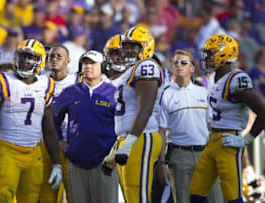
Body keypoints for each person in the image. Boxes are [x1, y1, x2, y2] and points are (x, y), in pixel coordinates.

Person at [0, 39, 62, 203]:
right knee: (4, 198)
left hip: (34, 152)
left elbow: (48, 128)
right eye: (22, 57)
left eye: (30, 58)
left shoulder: (46, 84)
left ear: (39, 62)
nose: (25, 62)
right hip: (8, 150)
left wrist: (56, 163)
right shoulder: (3, 80)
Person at [189, 34, 265, 203]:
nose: (206, 58)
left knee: (232, 197)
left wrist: (245, 140)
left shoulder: (237, 79)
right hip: (213, 141)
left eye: (210, 53)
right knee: (196, 193)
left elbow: (262, 111)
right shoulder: (216, 78)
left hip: (228, 142)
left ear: (223, 54)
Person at [158, 50, 223, 203]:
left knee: (216, 199)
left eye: (183, 62)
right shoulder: (166, 94)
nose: (179, 65)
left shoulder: (203, 92)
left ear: (192, 68)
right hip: (180, 156)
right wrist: (161, 164)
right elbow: (161, 131)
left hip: (206, 154)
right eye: (175, 63)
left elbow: (211, 126)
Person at [53, 50, 118, 203]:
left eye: (93, 63)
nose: (88, 67)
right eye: (85, 63)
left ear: (102, 66)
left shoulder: (114, 93)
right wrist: (60, 141)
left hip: (104, 163)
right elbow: (53, 119)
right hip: (76, 160)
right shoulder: (69, 92)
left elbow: (125, 124)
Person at [112, 26, 165, 203]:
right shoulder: (129, 70)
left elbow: (146, 108)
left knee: (138, 194)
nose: (127, 50)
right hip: (128, 137)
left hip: (141, 136)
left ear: (145, 47)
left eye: (133, 46)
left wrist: (130, 141)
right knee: (130, 195)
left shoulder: (147, 66)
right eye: (126, 46)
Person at [39, 44, 75, 203]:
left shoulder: (77, 81)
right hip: (44, 141)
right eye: (51, 56)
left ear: (68, 61)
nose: (54, 59)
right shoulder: (40, 80)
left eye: (59, 56)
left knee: (73, 192)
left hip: (69, 143)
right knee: (46, 193)